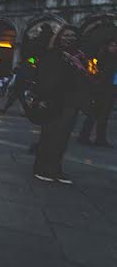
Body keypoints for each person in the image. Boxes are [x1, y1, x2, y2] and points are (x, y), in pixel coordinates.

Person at [32, 25, 92, 184]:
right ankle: (41, 168)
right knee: (49, 135)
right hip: (53, 100)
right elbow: (43, 77)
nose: (69, 38)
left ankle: (56, 169)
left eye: (72, 35)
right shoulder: (52, 54)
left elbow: (82, 80)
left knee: (63, 137)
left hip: (71, 101)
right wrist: (42, 98)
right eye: (65, 35)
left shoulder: (79, 57)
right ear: (59, 37)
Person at [78, 38, 116, 147]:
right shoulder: (101, 57)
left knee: (104, 115)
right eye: (112, 45)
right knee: (94, 113)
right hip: (100, 88)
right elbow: (94, 71)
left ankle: (100, 138)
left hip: (110, 89)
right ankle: (85, 136)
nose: (114, 48)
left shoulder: (112, 58)